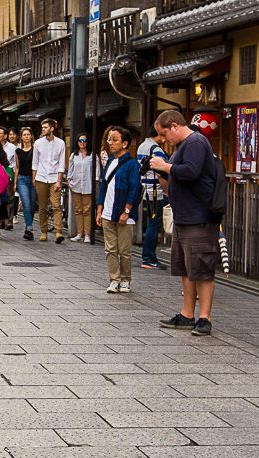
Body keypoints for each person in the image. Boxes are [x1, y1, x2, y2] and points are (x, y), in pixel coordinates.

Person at [151, 109, 220, 336]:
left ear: (174, 126)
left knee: (201, 268)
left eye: (164, 134)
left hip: (198, 218)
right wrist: (162, 174)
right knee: (186, 268)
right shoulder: (182, 147)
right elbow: (177, 178)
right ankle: (187, 314)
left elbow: (191, 172)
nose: (163, 140)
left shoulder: (196, 142)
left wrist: (165, 166)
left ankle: (204, 318)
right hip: (184, 217)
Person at [96, 126, 142, 294]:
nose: (110, 143)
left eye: (114, 140)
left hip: (124, 213)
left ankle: (126, 279)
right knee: (110, 249)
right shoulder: (109, 161)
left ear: (125, 143)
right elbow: (103, 186)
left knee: (124, 250)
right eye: (109, 139)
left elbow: (134, 188)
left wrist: (127, 210)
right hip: (108, 211)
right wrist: (99, 209)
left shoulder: (132, 164)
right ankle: (114, 279)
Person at [137, 126, 170, 269]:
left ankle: (148, 256)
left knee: (152, 222)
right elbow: (161, 173)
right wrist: (167, 191)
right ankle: (149, 257)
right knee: (154, 224)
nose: (165, 139)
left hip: (146, 189)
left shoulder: (142, 146)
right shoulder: (156, 150)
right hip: (157, 191)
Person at [32, 118, 66, 243]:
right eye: (42, 127)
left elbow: (61, 163)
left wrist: (59, 180)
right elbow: (35, 162)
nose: (43, 129)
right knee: (42, 206)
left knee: (56, 205)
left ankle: (58, 232)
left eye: (46, 127)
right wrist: (34, 178)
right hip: (41, 177)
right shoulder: (38, 143)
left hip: (54, 178)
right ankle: (44, 231)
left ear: (52, 128)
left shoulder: (60, 143)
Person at [67, 132, 98, 244]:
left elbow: (96, 172)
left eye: (84, 140)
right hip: (76, 185)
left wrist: (95, 184)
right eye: (80, 140)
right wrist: (69, 180)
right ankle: (79, 233)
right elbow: (70, 170)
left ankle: (88, 234)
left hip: (88, 185)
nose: (82, 143)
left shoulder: (93, 156)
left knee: (87, 210)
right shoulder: (73, 155)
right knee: (78, 210)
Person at [15, 127, 37, 240]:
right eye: (24, 135)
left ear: (32, 136)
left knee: (33, 205)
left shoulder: (35, 150)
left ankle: (28, 228)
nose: (27, 136)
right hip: (22, 179)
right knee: (26, 204)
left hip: (34, 179)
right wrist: (15, 183)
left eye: (28, 134)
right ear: (21, 137)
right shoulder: (18, 151)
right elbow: (17, 167)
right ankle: (29, 227)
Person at [0, 126, 17, 230]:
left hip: (8, 174)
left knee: (10, 198)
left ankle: (9, 221)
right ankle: (1, 220)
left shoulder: (12, 148)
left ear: (5, 136)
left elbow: (16, 163)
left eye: (0, 133)